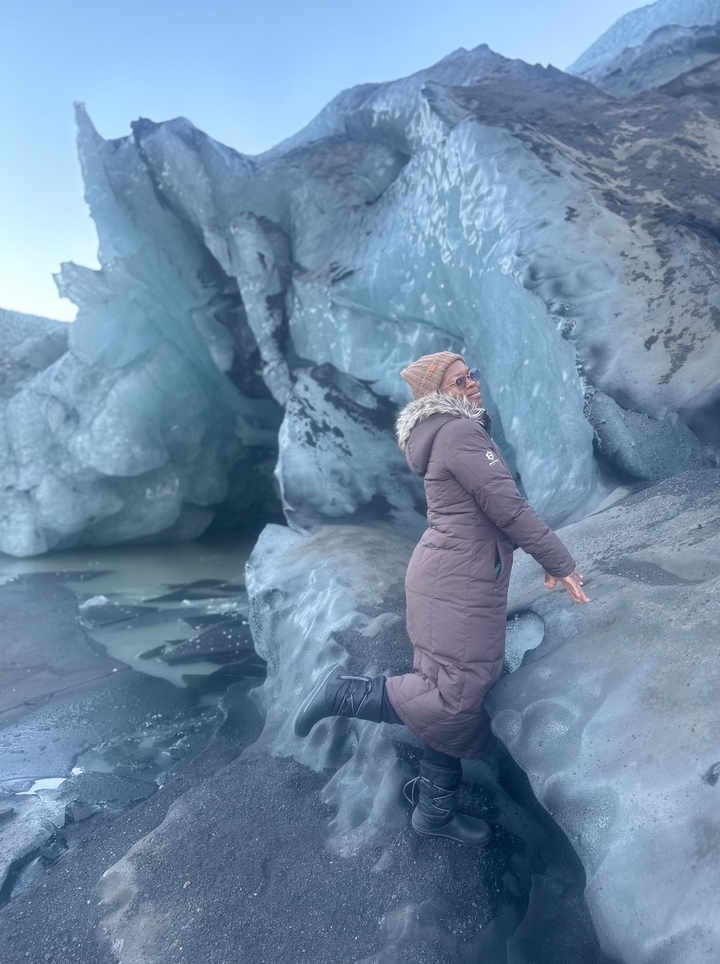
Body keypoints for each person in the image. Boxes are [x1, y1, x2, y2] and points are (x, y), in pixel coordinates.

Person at [294, 351, 588, 846]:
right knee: (455, 696)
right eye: (457, 380)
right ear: (435, 395)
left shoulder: (454, 432)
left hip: (449, 573)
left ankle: (434, 809)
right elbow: (510, 509)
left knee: (444, 683)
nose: (471, 383)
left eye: (471, 373)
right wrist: (559, 561)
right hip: (459, 582)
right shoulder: (459, 434)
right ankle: (343, 692)